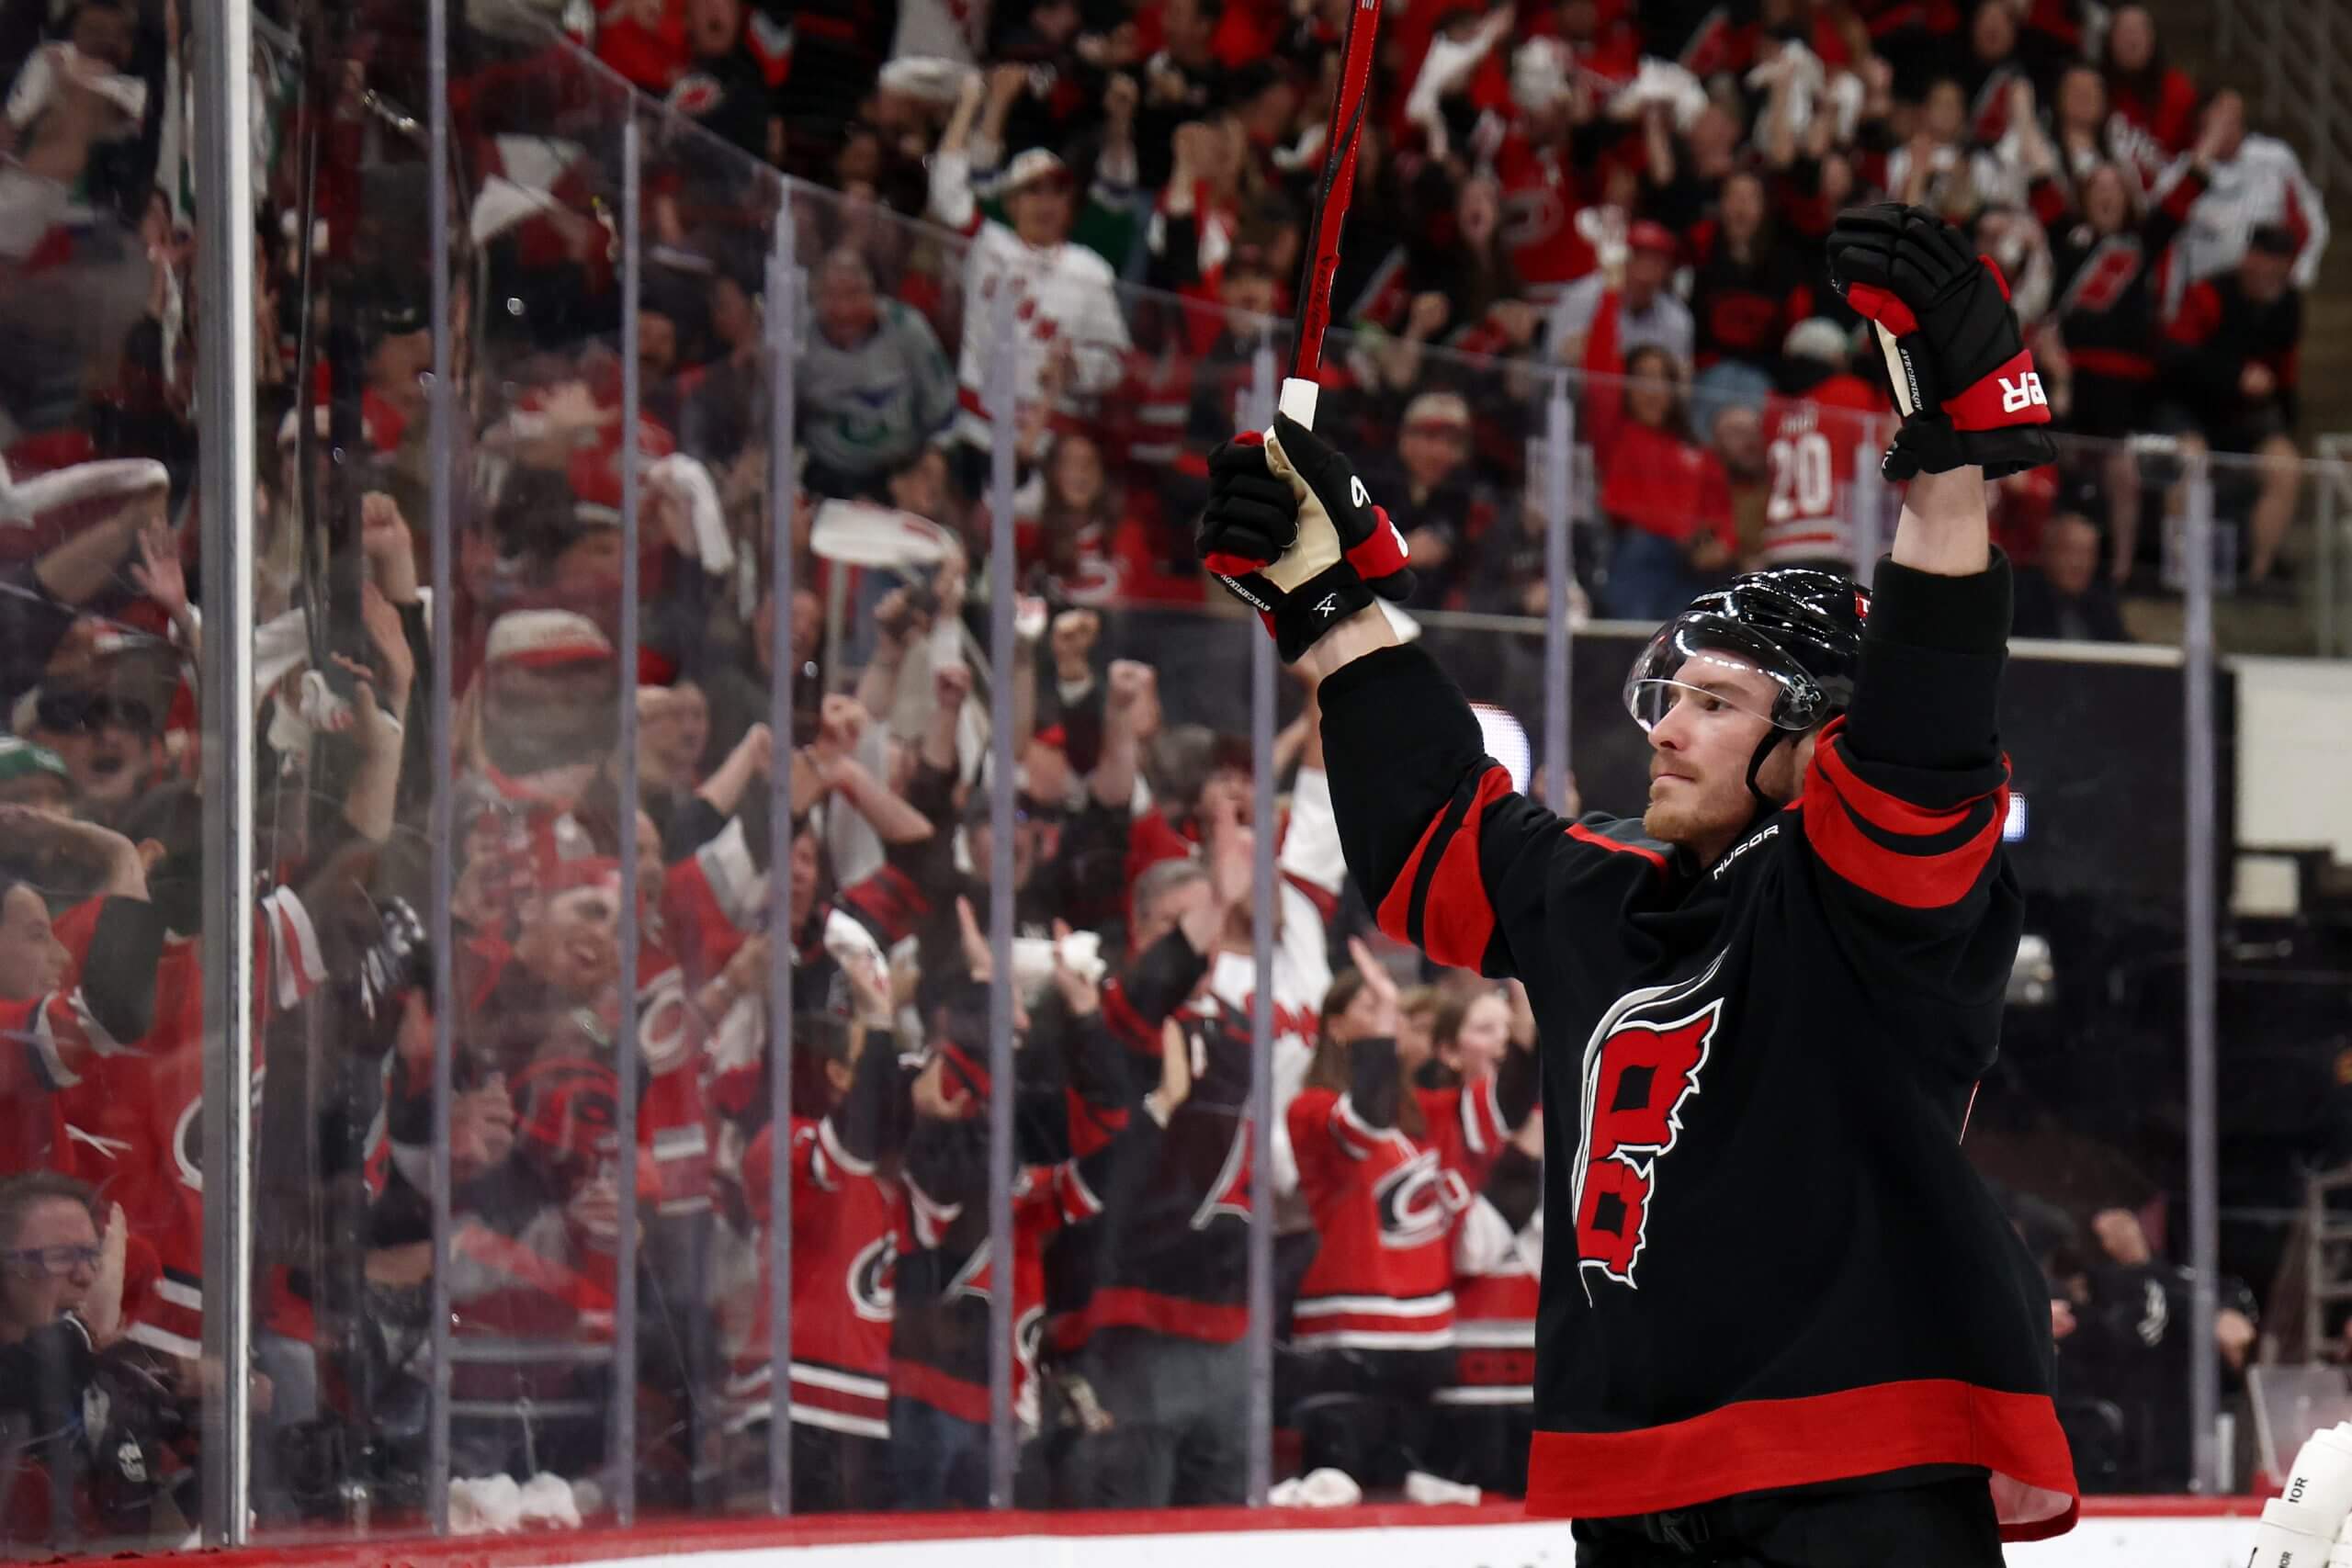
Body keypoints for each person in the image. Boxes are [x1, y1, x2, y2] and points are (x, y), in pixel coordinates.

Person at [1197, 202, 2078, 1560]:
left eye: (1715, 702)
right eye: (1668, 693)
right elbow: (1435, 826)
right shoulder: (1607, 886)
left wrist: (1952, 473)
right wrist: (1327, 604)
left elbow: (1919, 743)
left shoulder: (1870, 906)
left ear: (1809, 742)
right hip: (1634, 1481)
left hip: (1855, 1462)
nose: (1665, 724)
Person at [2010, 511, 2130, 642]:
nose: (2078, 563)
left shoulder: (2102, 603)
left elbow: (2124, 649)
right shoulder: (2016, 600)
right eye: (2069, 551)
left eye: (2088, 554)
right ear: (2046, 553)